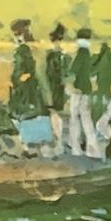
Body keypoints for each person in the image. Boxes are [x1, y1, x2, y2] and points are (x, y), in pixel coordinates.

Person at [68, 27, 101, 158]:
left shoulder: (81, 53)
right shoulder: (88, 54)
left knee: (74, 118)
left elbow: (73, 71)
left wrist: (69, 84)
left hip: (77, 91)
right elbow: (91, 72)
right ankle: (93, 149)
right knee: (87, 119)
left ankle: (76, 148)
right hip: (86, 90)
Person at [8, 19, 44, 120]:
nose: (17, 37)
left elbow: (29, 67)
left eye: (18, 34)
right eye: (15, 35)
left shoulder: (24, 49)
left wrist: (24, 76)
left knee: (24, 107)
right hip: (20, 82)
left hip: (24, 83)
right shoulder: (20, 49)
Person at [44, 22, 68, 153]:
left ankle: (58, 141)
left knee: (54, 113)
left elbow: (50, 73)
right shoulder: (61, 55)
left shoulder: (53, 56)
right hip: (58, 87)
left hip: (55, 87)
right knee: (56, 113)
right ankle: (58, 140)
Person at [92, 39, 111, 118]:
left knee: (102, 95)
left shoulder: (104, 57)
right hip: (108, 80)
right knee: (107, 95)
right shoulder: (110, 56)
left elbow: (98, 68)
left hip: (103, 81)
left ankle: (100, 113)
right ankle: (110, 110)